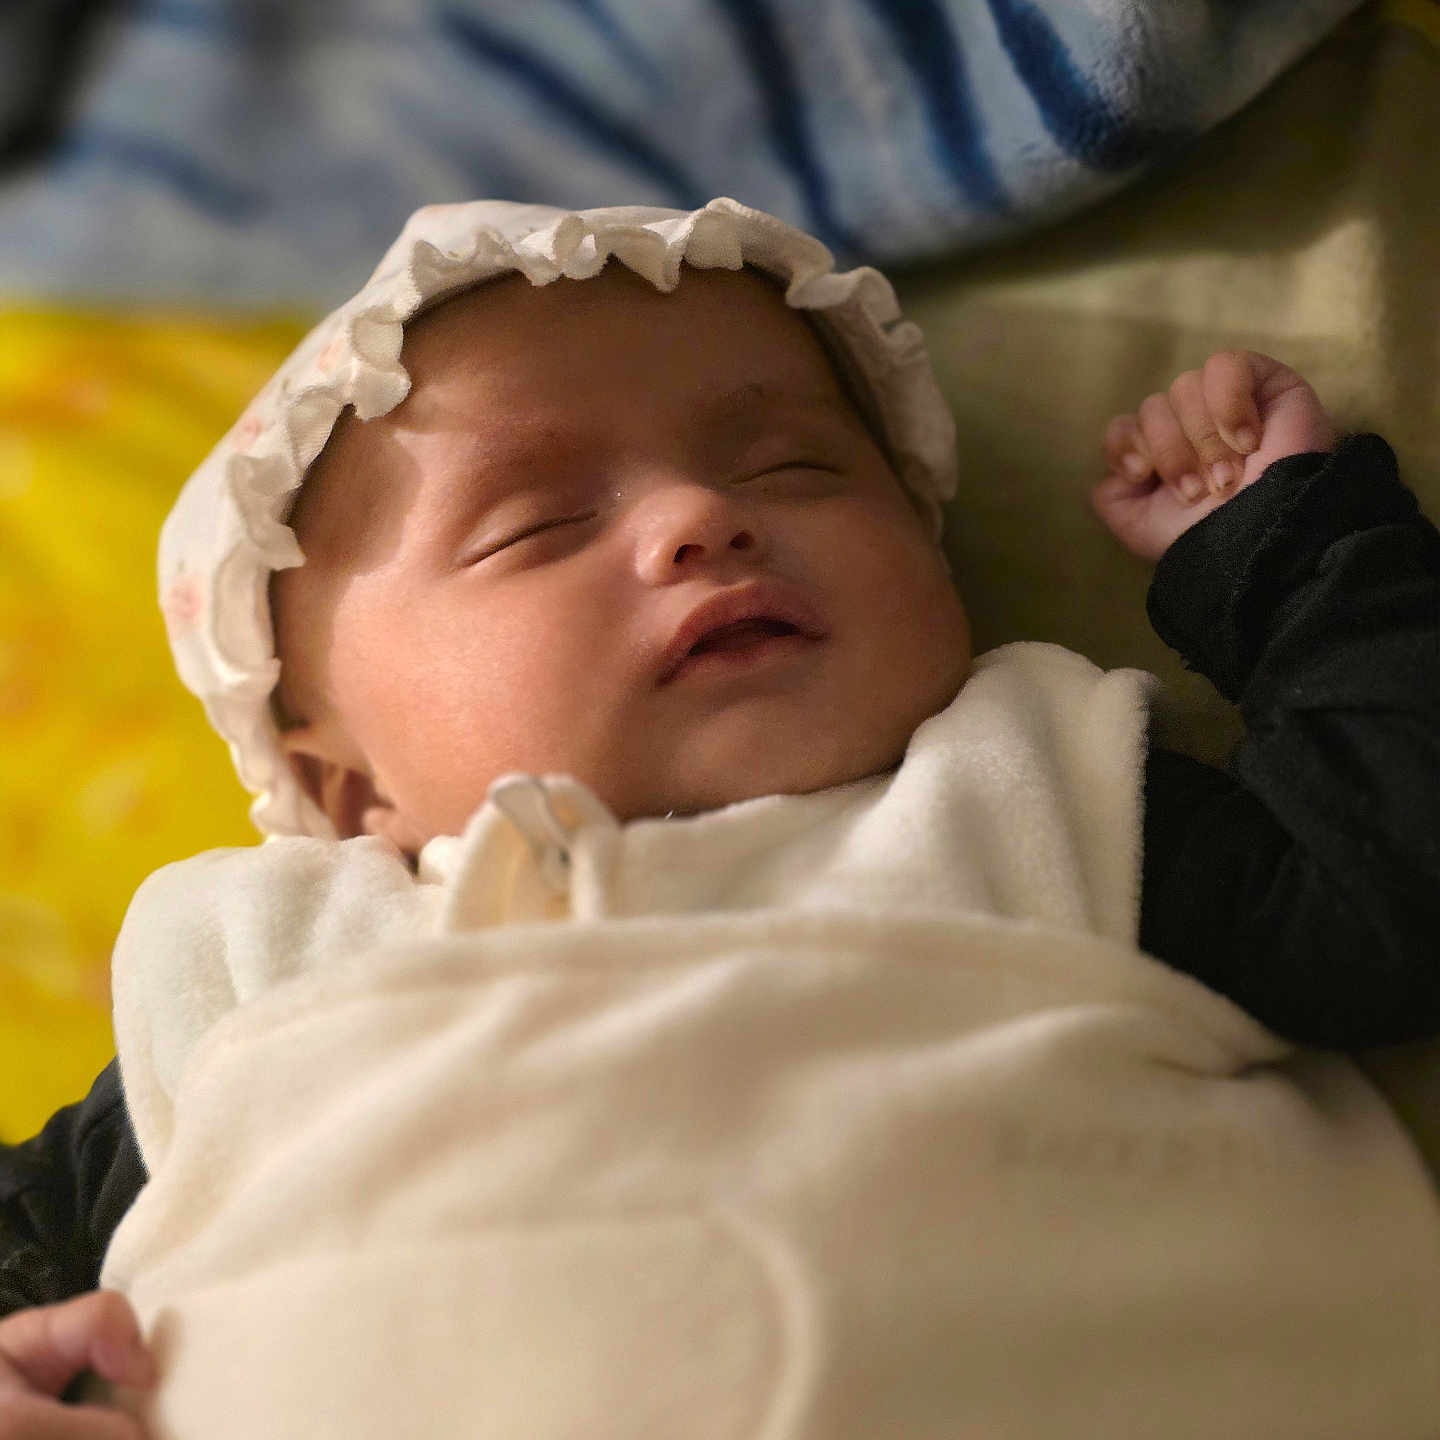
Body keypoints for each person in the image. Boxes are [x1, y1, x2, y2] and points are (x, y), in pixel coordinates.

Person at [1, 198, 1436, 1438]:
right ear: (341, 786)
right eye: (538, 524)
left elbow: (1392, 891)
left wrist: (1291, 552)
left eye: (793, 467)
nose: (700, 515)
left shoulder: (1021, 794)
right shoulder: (271, 958)